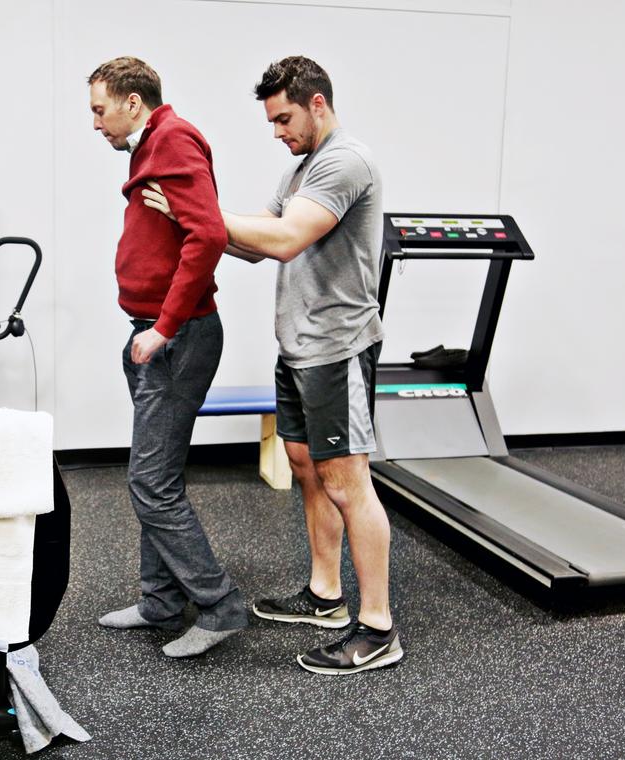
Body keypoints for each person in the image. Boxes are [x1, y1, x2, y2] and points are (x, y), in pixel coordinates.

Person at [141, 56, 401, 675]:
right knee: (308, 470)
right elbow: (260, 238)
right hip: (299, 347)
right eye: (271, 121)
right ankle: (325, 596)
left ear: (317, 104)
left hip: (337, 348)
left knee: (346, 482)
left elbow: (286, 240)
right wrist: (199, 218)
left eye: (284, 118)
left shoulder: (345, 161)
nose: (277, 131)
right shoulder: (301, 167)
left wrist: (195, 213)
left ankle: (378, 626)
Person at [87, 56, 248, 658]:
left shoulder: (174, 138)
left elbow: (205, 235)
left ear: (133, 101)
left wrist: (165, 328)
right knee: (158, 474)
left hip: (174, 338)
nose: (96, 123)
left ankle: (219, 605)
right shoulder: (150, 144)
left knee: (150, 483)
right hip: (153, 332)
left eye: (100, 109)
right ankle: (160, 599)